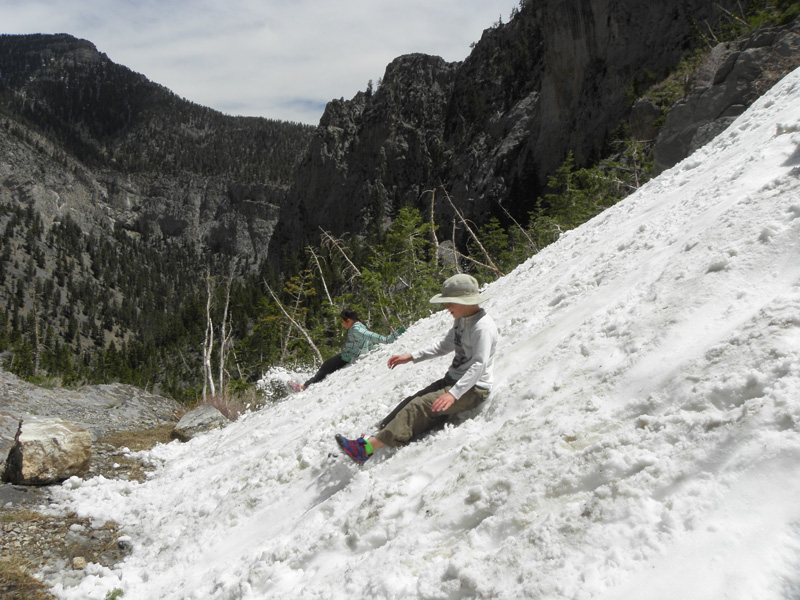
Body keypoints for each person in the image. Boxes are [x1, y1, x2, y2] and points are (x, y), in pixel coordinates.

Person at [335, 274, 498, 464]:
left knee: (418, 406)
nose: (446, 307)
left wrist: (453, 394)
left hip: (473, 389)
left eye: (450, 302)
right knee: (411, 401)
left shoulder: (482, 328)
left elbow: (480, 364)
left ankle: (364, 449)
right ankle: (374, 439)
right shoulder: (461, 320)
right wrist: (411, 357)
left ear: (465, 301)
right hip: (454, 381)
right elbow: (444, 346)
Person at [288, 308, 405, 392]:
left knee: (324, 369)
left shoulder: (357, 330)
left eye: (343, 322)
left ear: (348, 320)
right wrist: (374, 348)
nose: (342, 325)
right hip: (348, 355)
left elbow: (371, 336)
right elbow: (367, 342)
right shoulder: (360, 325)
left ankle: (302, 387)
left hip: (346, 358)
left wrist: (389, 339)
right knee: (325, 367)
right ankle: (305, 385)